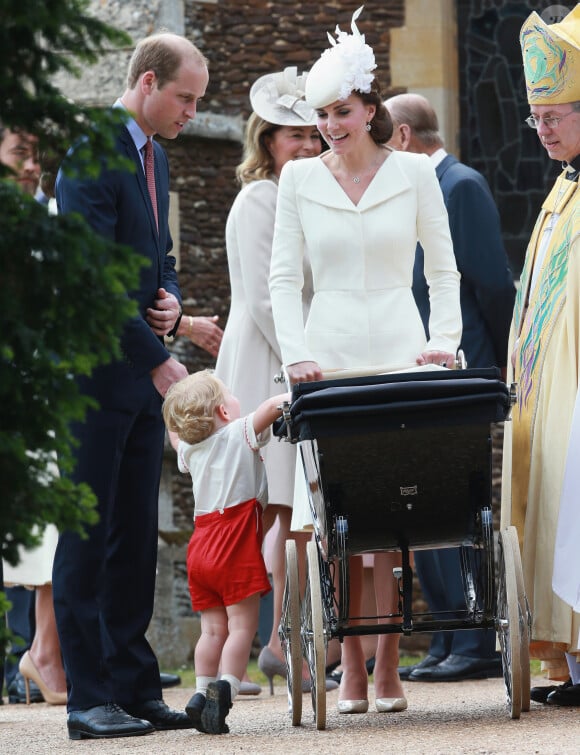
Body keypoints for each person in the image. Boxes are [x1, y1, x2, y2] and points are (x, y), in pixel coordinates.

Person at [269, 7, 461, 715]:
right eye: (321, 114)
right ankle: (347, 664)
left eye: (342, 111)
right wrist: (296, 355)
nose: (330, 125)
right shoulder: (297, 181)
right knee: (337, 524)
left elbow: (443, 273)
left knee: (391, 521)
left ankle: (387, 667)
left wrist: (444, 343)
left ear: (370, 108)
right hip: (328, 358)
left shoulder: (414, 174)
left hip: (403, 353)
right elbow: (284, 281)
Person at [53, 32, 208, 739]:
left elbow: (158, 256)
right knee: (88, 540)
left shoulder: (158, 155)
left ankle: (134, 687)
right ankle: (88, 699)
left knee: (134, 539)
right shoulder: (91, 152)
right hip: (93, 379)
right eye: (184, 97)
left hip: (139, 384)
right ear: (147, 83)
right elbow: (87, 276)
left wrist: (172, 300)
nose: (191, 112)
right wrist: (156, 357)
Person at [385, 92, 516, 682]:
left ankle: (475, 640)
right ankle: (445, 635)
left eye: (382, 138)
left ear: (406, 137)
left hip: (462, 370)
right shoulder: (415, 188)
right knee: (423, 504)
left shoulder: (461, 186)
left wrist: (502, 366)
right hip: (420, 372)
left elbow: (490, 282)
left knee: (459, 507)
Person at [213, 66, 323, 694]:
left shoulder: (301, 194)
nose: (307, 144)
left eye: (312, 134)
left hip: (297, 356)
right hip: (268, 362)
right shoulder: (260, 198)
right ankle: (272, 643)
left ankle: (282, 641)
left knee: (287, 509)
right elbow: (263, 299)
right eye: (292, 136)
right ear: (267, 140)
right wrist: (304, 364)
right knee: (274, 507)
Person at [501, 7, 580, 708]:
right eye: (536, 118)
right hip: (548, 395)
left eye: (554, 115)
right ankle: (575, 664)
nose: (543, 130)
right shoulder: (562, 187)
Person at [161, 369, 289, 734]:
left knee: (212, 631)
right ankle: (226, 688)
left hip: (201, 546)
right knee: (241, 628)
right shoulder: (239, 433)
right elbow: (269, 407)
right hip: (234, 543)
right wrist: (294, 395)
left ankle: (200, 692)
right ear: (223, 412)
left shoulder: (190, 450)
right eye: (230, 397)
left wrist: (175, 414)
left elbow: (174, 438)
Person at [0, 125, 67, 706]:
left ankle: (45, 651)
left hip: (48, 387)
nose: (32, 166)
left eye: (36, 156)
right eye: (20, 154)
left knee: (54, 527)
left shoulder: (53, 219)